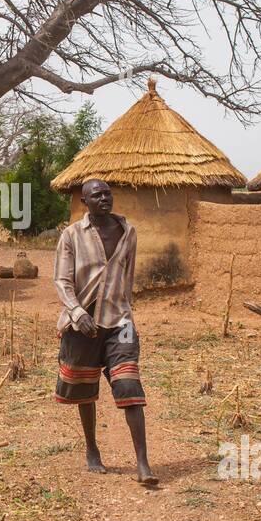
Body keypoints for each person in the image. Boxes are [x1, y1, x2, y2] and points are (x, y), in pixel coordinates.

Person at [53, 178, 156, 483]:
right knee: (85, 389)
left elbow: (128, 275)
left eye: (107, 194)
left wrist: (127, 313)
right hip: (81, 324)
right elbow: (61, 280)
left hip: (120, 322)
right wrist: (76, 312)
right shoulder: (71, 236)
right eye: (96, 195)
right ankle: (92, 449)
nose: (104, 199)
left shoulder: (128, 232)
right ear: (84, 202)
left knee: (129, 386)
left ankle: (143, 463)